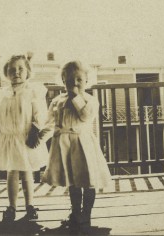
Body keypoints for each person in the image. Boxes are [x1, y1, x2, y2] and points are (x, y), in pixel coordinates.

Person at [40, 60, 112, 233]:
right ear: (63, 81)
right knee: (72, 182)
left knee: (87, 181)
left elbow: (85, 117)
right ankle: (76, 213)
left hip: (83, 144)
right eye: (69, 80)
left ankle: (86, 214)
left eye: (79, 79)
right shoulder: (57, 100)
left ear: (87, 81)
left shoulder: (90, 100)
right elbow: (49, 123)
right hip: (64, 144)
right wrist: (38, 138)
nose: (74, 83)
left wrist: (76, 98)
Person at [0, 54, 49, 222]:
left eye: (21, 69)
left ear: (27, 71)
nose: (17, 73)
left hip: (26, 136)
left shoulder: (33, 91)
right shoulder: (0, 94)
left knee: (27, 171)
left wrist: (35, 130)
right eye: (12, 70)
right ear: (7, 73)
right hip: (9, 138)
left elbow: (39, 114)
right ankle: (12, 206)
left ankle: (30, 205)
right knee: (12, 171)